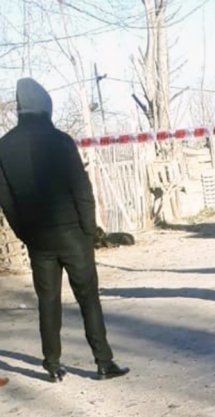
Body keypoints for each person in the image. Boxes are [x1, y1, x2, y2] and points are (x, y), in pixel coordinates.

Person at [0, 78, 129, 383]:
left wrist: (25, 234)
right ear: (45, 106)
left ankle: (52, 364)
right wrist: (89, 229)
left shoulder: (3, 147)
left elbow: (5, 199)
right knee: (88, 298)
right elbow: (82, 189)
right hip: (72, 233)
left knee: (48, 301)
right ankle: (103, 362)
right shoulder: (60, 141)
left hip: (38, 239)